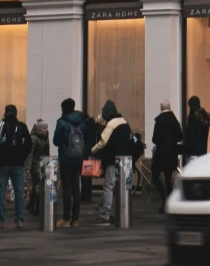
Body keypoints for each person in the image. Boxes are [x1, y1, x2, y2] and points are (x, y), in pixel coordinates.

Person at [95, 99, 133, 226]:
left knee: (108, 187)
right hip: (125, 160)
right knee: (120, 187)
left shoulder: (111, 124)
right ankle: (120, 213)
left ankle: (104, 214)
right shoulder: (125, 122)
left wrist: (93, 150)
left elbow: (103, 142)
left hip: (112, 159)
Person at [0, 104, 30, 228]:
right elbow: (28, 145)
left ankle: (0, 220)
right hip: (18, 164)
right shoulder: (21, 126)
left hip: (2, 163)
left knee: (1, 192)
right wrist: (22, 157)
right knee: (19, 192)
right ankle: (19, 219)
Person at [54, 97, 88, 228]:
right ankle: (76, 218)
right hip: (78, 158)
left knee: (67, 187)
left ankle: (66, 218)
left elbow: (56, 141)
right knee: (76, 187)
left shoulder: (62, 122)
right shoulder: (81, 122)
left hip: (66, 158)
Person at [151, 103, 182, 209]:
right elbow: (180, 136)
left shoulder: (159, 122)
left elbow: (154, 139)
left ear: (161, 108)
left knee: (155, 175)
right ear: (170, 108)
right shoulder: (175, 121)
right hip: (172, 153)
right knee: (168, 178)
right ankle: (169, 200)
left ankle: (164, 198)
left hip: (160, 154)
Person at [25, 117, 50, 219]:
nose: (45, 130)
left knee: (38, 185)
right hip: (36, 164)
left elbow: (47, 151)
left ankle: (33, 205)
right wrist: (28, 167)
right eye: (43, 128)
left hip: (44, 164)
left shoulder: (45, 137)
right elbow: (30, 154)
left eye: (46, 128)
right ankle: (36, 208)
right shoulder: (34, 138)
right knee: (39, 185)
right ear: (39, 129)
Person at [183, 95, 210, 161]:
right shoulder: (204, 118)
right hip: (202, 153)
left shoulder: (192, 119)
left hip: (192, 153)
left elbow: (190, 137)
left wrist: (185, 149)